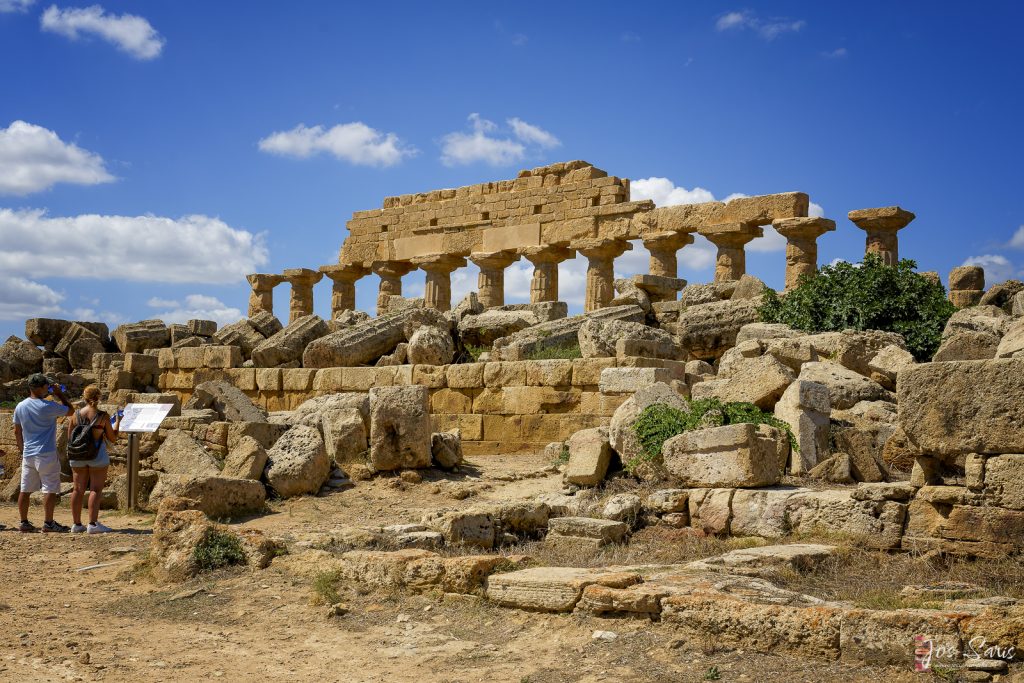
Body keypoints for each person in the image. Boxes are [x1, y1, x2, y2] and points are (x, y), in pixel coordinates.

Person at [13, 374, 75, 533]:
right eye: (46, 386)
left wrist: (22, 450)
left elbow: (17, 431)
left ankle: (24, 522)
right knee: (50, 488)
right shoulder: (48, 406)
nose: (48, 388)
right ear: (40, 388)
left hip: (28, 453)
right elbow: (70, 411)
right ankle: (48, 523)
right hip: (46, 452)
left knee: (25, 489)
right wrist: (59, 393)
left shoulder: (20, 406)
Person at [67, 385, 121, 534]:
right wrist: (117, 423)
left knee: (77, 489)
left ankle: (76, 524)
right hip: (97, 456)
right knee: (96, 489)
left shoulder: (75, 415)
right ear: (99, 398)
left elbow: (70, 437)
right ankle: (92, 524)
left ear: (84, 397)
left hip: (77, 456)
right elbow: (112, 438)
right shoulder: (103, 416)